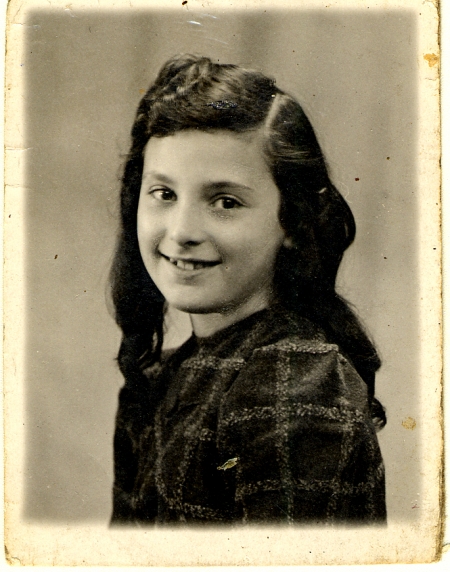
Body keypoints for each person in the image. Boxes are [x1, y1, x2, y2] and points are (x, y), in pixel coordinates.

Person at [109, 54, 386, 525]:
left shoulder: (296, 386)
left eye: (225, 201)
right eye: (164, 194)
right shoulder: (161, 380)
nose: (181, 231)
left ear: (292, 222)